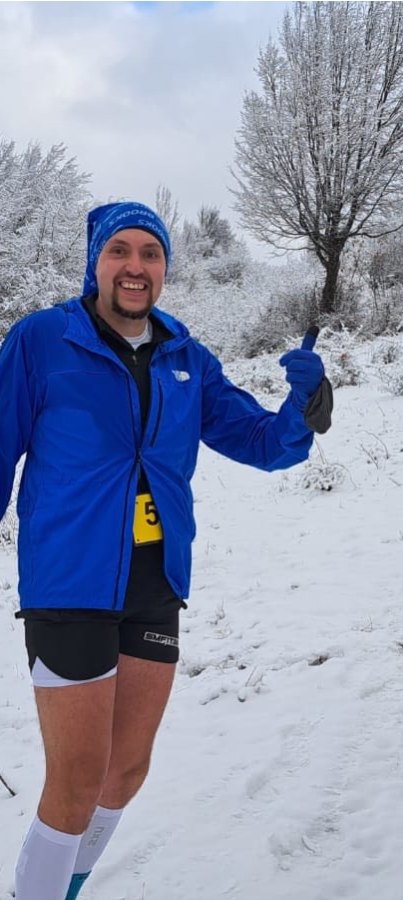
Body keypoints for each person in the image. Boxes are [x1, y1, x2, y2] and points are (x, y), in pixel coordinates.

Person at [0, 201, 333, 900]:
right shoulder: (41, 342)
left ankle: (64, 889)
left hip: (155, 580)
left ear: (164, 270)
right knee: (78, 777)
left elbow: (261, 443)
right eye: (119, 251)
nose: (134, 267)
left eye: (149, 255)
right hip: (69, 581)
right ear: (95, 262)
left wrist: (302, 407)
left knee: (126, 771)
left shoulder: (188, 358)